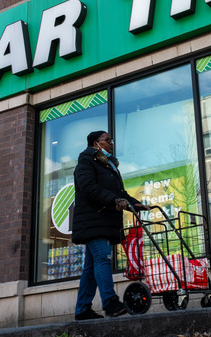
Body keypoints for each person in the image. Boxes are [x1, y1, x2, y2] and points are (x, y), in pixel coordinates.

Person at [72, 131, 149, 320]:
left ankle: (82, 309)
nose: (111, 143)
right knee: (102, 257)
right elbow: (88, 187)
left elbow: (119, 192)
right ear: (95, 144)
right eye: (107, 140)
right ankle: (110, 302)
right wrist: (114, 200)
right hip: (93, 220)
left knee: (91, 266)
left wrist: (135, 204)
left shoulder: (109, 166)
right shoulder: (86, 162)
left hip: (104, 220)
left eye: (111, 140)